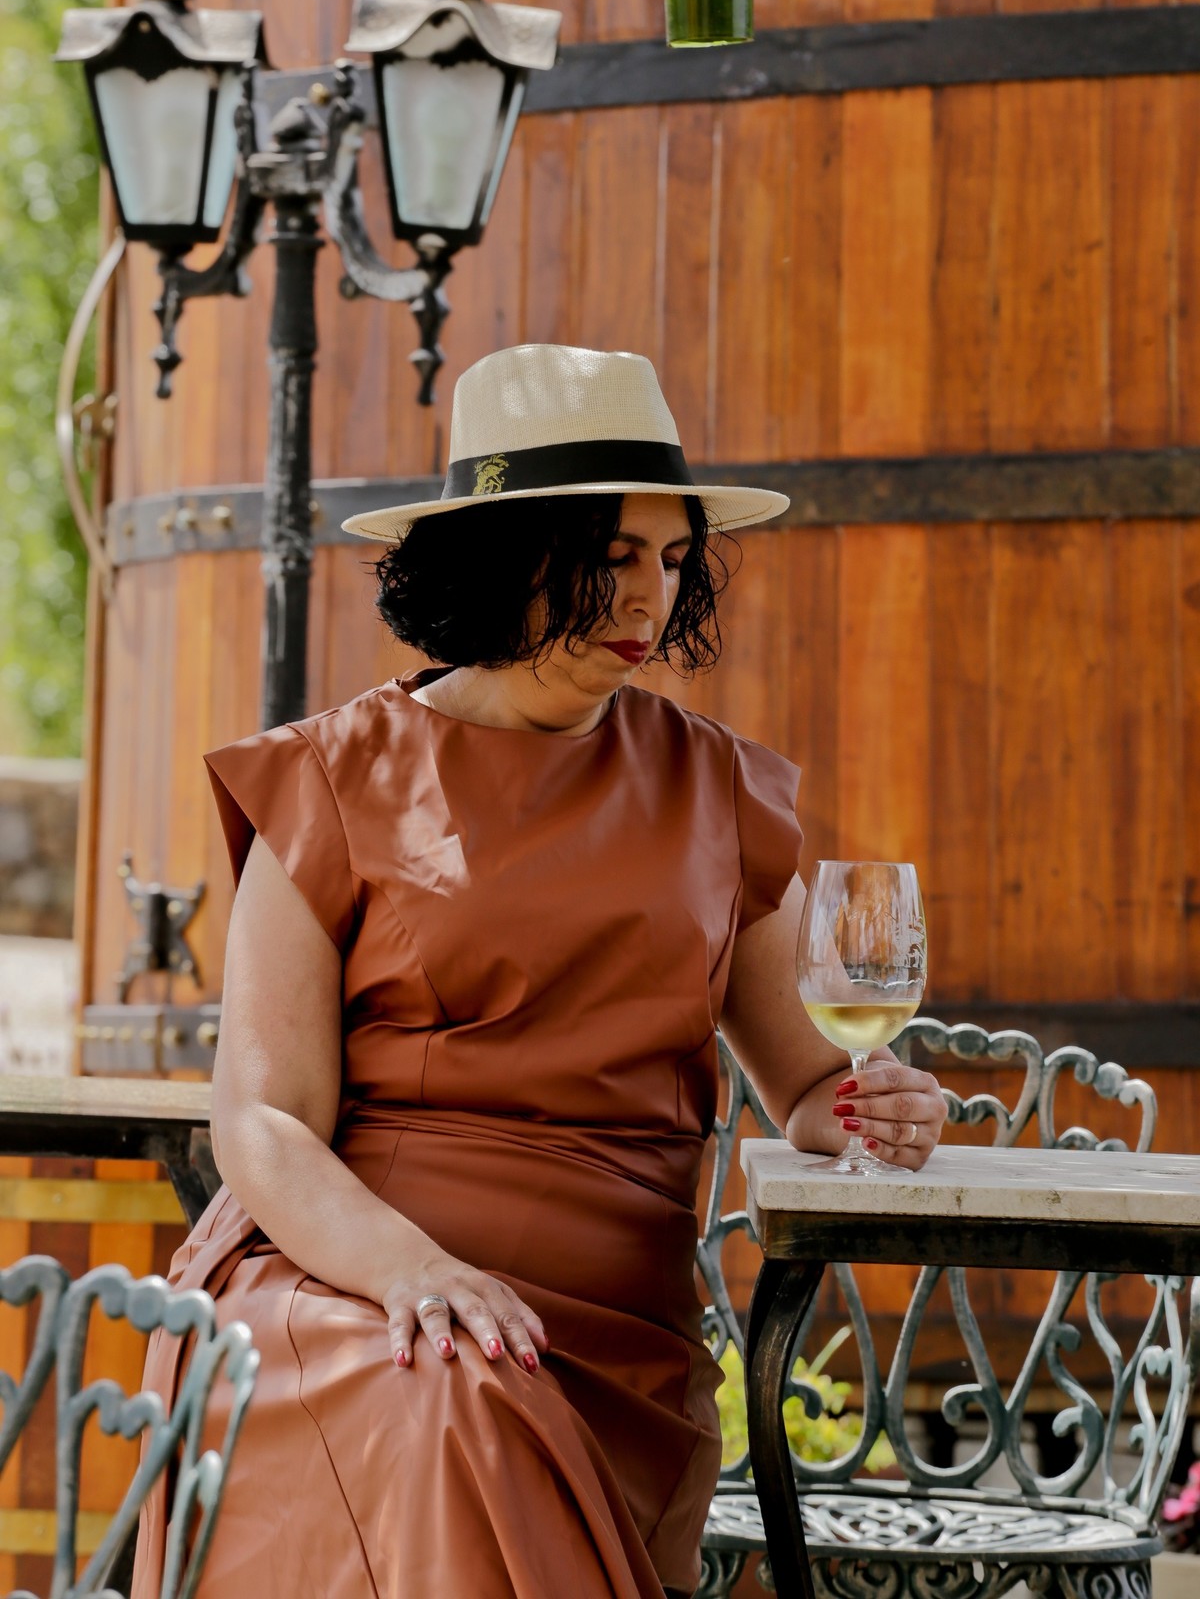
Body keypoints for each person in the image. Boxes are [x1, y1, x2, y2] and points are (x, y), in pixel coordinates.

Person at [132, 344, 948, 1599]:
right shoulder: (327, 779)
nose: (649, 597)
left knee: (470, 1396)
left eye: (671, 559)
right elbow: (263, 1122)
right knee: (443, 1400)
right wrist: (413, 1273)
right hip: (347, 1287)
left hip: (609, 1334)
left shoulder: (717, 789)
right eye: (612, 555)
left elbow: (805, 1087)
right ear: (506, 555)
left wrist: (874, 1108)